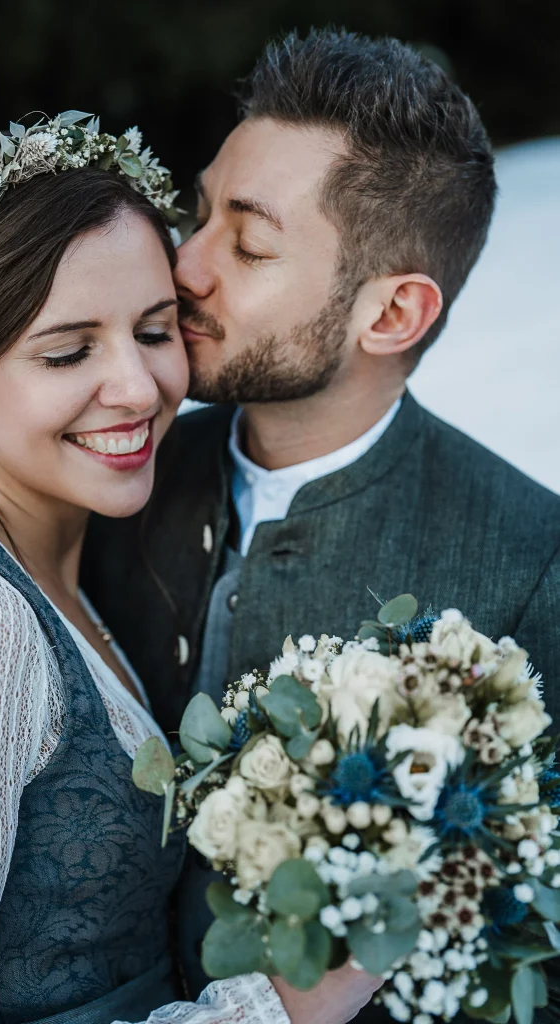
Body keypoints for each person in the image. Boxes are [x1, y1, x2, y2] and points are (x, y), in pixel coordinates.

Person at [80, 28, 560, 1015]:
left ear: (388, 315)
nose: (185, 265)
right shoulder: (104, 472)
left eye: (249, 244)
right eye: (199, 211)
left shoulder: (530, 561)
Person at [0, 118, 380, 1023]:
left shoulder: (62, 553)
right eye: (68, 352)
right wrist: (273, 1010)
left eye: (155, 330)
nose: (141, 389)